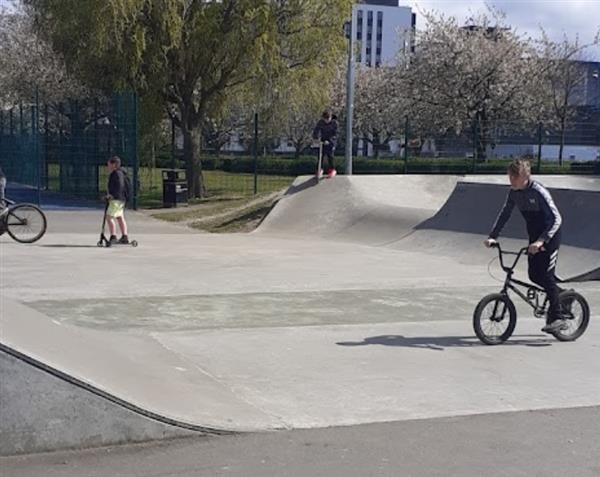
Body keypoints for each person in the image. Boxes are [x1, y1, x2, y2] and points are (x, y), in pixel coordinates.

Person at [484, 158, 565, 334]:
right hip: (534, 238)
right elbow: (505, 213)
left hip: (549, 237)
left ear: (525, 176)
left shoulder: (538, 191)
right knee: (534, 276)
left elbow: (556, 219)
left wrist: (541, 241)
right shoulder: (514, 192)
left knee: (546, 275)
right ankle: (562, 296)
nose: (511, 180)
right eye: (510, 176)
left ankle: (558, 316)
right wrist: (492, 237)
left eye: (515, 177)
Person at [105, 156, 130, 245]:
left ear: (114, 165)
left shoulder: (116, 174)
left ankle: (113, 236)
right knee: (120, 217)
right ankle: (124, 236)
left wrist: (112, 195)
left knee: (109, 217)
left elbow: (119, 186)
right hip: (122, 199)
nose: (108, 167)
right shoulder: (122, 173)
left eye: (109, 165)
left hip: (116, 199)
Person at [312, 110, 338, 177]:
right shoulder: (321, 122)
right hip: (323, 139)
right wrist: (316, 138)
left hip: (331, 141)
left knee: (330, 155)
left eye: (327, 119)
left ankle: (332, 169)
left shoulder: (334, 123)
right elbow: (316, 130)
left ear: (330, 117)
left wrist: (330, 141)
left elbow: (336, 134)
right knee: (321, 155)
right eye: (325, 119)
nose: (326, 121)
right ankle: (319, 169)